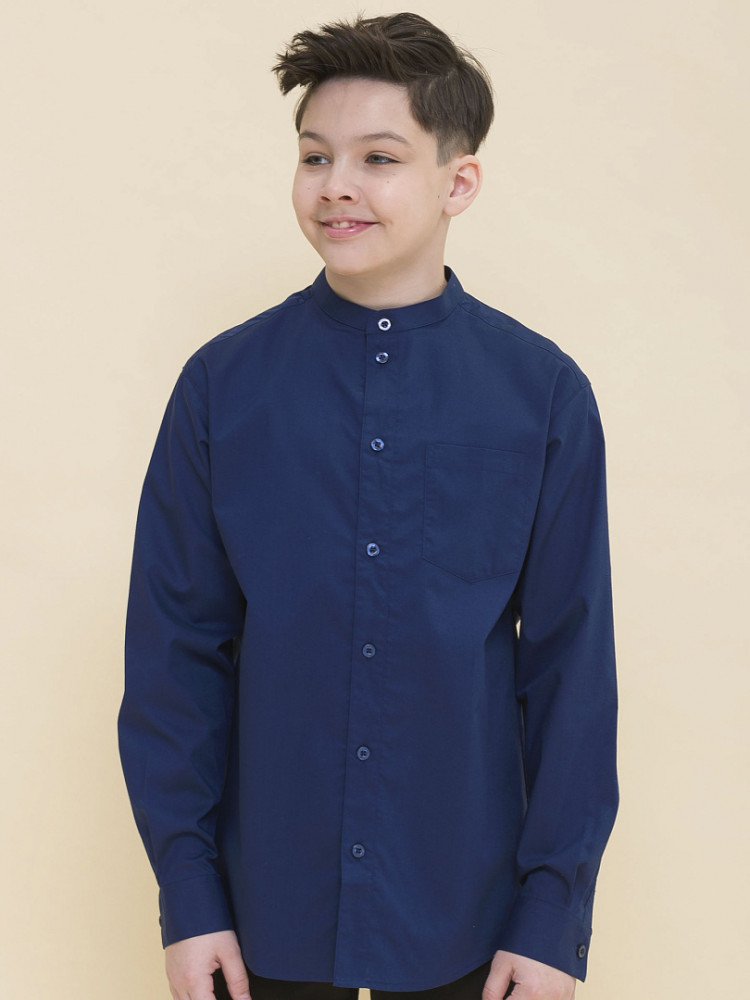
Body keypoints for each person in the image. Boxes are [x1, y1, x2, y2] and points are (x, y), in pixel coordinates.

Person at [118, 12, 618, 1000]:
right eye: (315, 156)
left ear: (457, 183)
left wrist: (552, 920)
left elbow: (571, 668)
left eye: (379, 158)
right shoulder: (222, 388)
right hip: (262, 918)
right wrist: (190, 895)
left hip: (469, 925)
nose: (336, 184)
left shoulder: (543, 396)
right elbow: (174, 654)